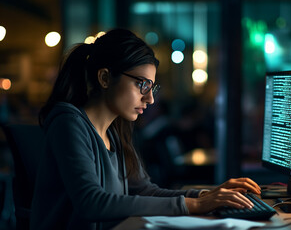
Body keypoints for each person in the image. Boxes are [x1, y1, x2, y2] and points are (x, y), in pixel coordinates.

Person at [30, 28, 262, 230]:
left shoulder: (114, 131)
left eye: (152, 87)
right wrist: (196, 205)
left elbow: (145, 191)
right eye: (142, 85)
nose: (150, 99)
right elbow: (92, 202)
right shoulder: (68, 123)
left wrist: (207, 195)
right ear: (104, 78)